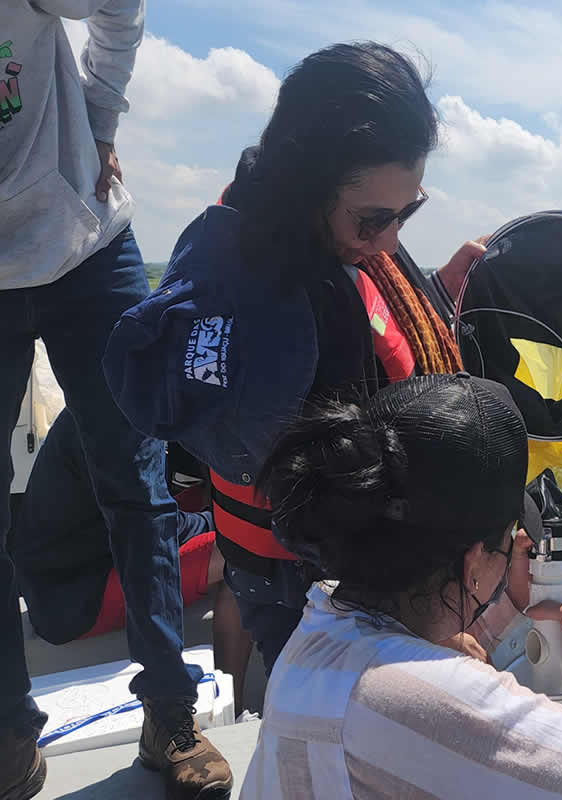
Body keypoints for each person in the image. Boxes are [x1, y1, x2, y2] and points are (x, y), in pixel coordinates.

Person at [102, 41, 562, 681]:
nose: (390, 241)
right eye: (375, 219)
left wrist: (436, 291)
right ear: (308, 186)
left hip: (285, 557)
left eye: (409, 211)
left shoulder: (288, 225)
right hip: (307, 580)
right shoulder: (275, 314)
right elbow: (345, 508)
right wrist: (461, 594)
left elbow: (368, 337)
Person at [1, 2, 231, 798]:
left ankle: (169, 712)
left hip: (83, 240)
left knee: (135, 481)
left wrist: (99, 123)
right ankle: (7, 730)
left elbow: (117, 7)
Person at [242, 373, 562, 800]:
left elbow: (424, 649)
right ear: (473, 561)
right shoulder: (415, 698)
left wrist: (509, 599)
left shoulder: (318, 630)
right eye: (508, 541)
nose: (511, 553)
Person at [9, 411, 252, 710]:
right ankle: (232, 707)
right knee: (245, 550)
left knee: (213, 512)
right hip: (77, 601)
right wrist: (223, 521)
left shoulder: (97, 403)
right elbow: (154, 524)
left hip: (64, 579)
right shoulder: (118, 423)